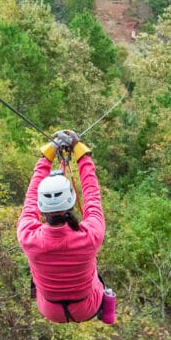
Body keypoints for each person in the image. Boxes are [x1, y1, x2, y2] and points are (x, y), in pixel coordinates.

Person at [17, 130, 106, 323]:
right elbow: (92, 195)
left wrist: (48, 154)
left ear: (42, 206)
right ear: (71, 201)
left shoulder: (28, 237)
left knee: (36, 271)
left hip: (50, 310)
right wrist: (80, 150)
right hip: (86, 307)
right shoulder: (90, 236)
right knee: (96, 277)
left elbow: (31, 197)